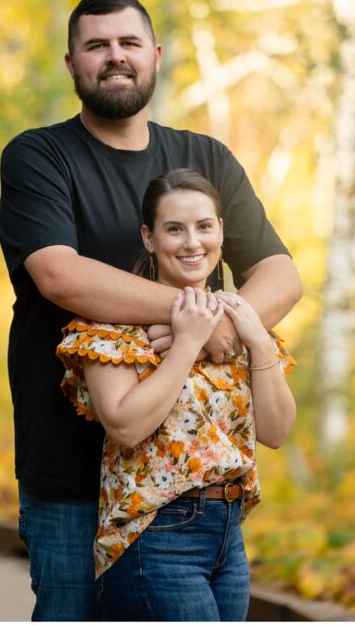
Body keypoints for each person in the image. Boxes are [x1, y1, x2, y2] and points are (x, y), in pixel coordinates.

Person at [0, 0, 302, 620]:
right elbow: (60, 275)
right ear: (71, 62)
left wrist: (222, 325)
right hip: (71, 469)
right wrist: (192, 319)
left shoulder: (205, 158)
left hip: (193, 489)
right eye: (96, 45)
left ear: (155, 55)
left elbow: (280, 272)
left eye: (129, 43)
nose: (115, 57)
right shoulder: (39, 155)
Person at [57, 169, 296, 620]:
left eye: (204, 226)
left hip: (229, 535)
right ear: (149, 238)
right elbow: (126, 426)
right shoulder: (112, 328)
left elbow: (278, 430)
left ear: (221, 232)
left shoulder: (240, 320)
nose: (192, 243)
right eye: (174, 229)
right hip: (154, 534)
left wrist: (258, 340)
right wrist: (186, 343)